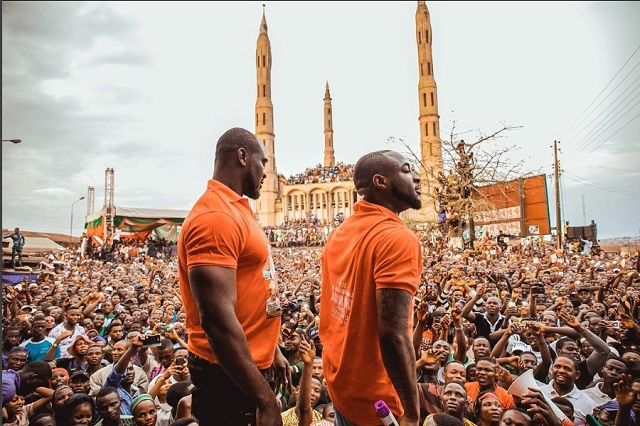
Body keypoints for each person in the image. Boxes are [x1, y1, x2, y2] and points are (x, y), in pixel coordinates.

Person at [178, 127, 287, 425]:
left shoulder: (237, 208)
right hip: (227, 372)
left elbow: (251, 285)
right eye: (262, 162)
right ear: (242, 156)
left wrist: (271, 348)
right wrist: (266, 401)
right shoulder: (215, 218)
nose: (266, 172)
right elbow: (217, 321)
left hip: (248, 363)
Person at [320, 150, 422, 425]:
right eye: (406, 169)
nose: (417, 177)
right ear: (381, 182)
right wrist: (412, 413)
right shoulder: (396, 238)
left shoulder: (340, 232)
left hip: (341, 384)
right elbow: (393, 335)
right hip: (377, 404)